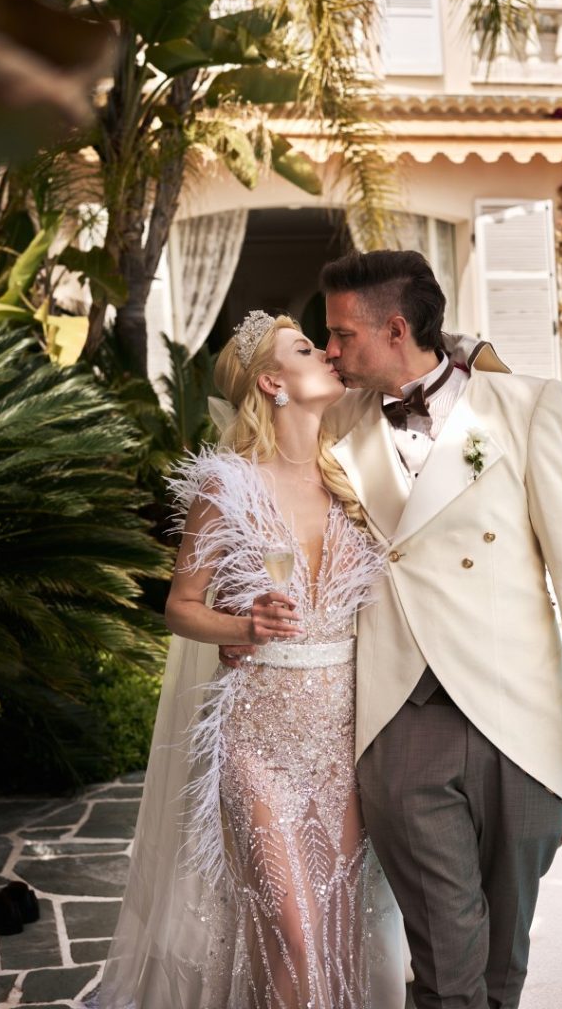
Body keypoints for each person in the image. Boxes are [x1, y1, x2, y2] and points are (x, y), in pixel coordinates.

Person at [313, 249, 562, 1009]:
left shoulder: (525, 405)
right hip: (401, 713)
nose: (329, 350)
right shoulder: (331, 426)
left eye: (342, 334)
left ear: (395, 330)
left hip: (516, 709)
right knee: (446, 955)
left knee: (503, 951)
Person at [97, 310, 413, 1009]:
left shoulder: (354, 481)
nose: (327, 352)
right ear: (273, 382)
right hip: (256, 741)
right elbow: (181, 606)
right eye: (306, 348)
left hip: (344, 737)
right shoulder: (227, 484)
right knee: (290, 933)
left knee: (336, 926)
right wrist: (242, 623)